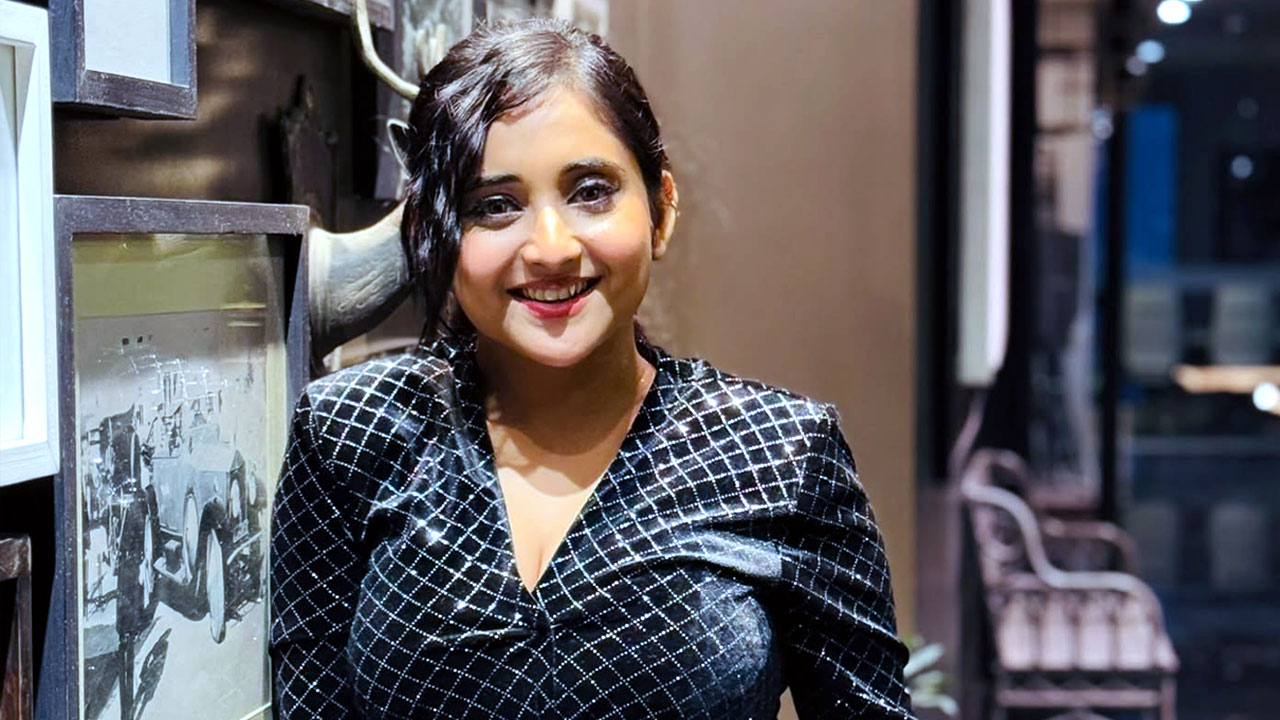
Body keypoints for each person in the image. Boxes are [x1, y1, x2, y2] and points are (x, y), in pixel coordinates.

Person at [269, 17, 914, 720]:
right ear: (429, 231)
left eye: (591, 191)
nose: (551, 248)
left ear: (661, 209)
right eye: (494, 206)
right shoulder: (349, 433)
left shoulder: (782, 453)